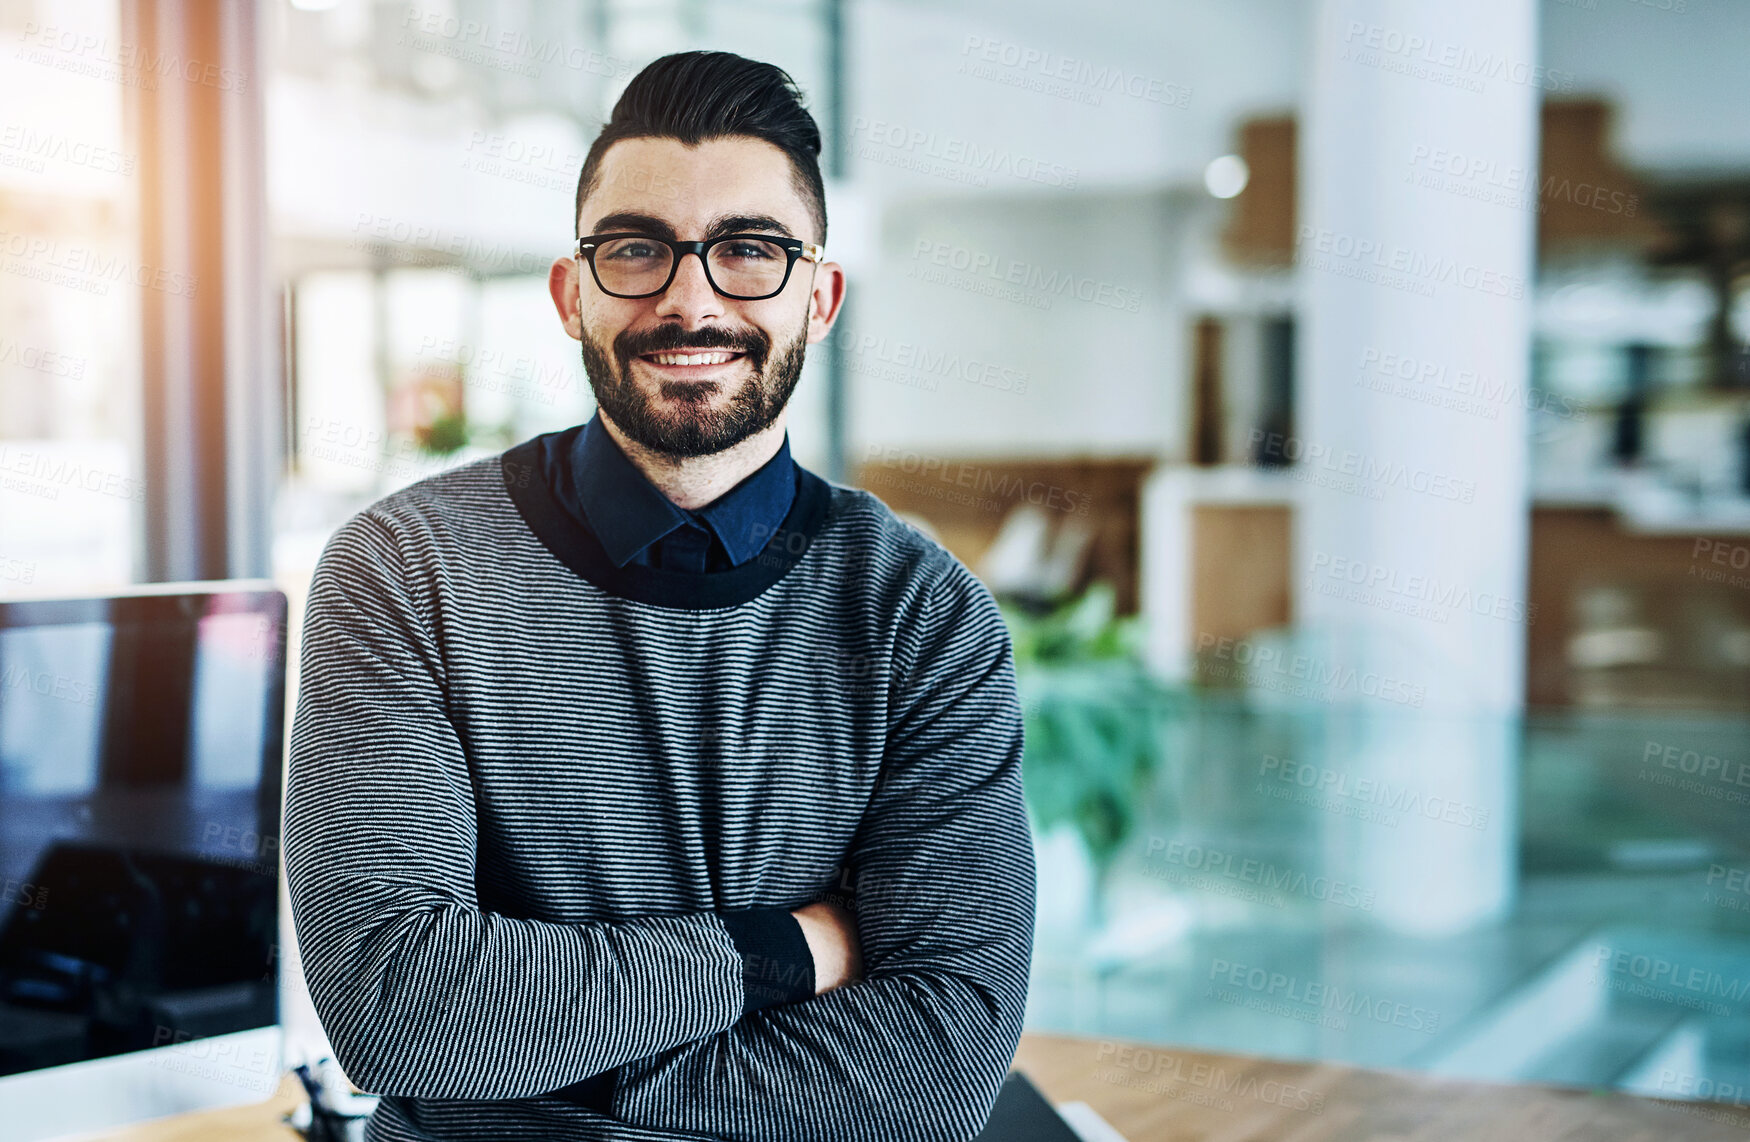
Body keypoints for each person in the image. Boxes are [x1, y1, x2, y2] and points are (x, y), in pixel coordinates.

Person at [284, 50, 1035, 1142]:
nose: (690, 299)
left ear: (818, 297)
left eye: (749, 250)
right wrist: (787, 949)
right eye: (637, 249)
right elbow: (398, 1007)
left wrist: (539, 1071)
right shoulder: (404, 573)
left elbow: (941, 1062)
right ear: (570, 292)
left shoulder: (923, 618)